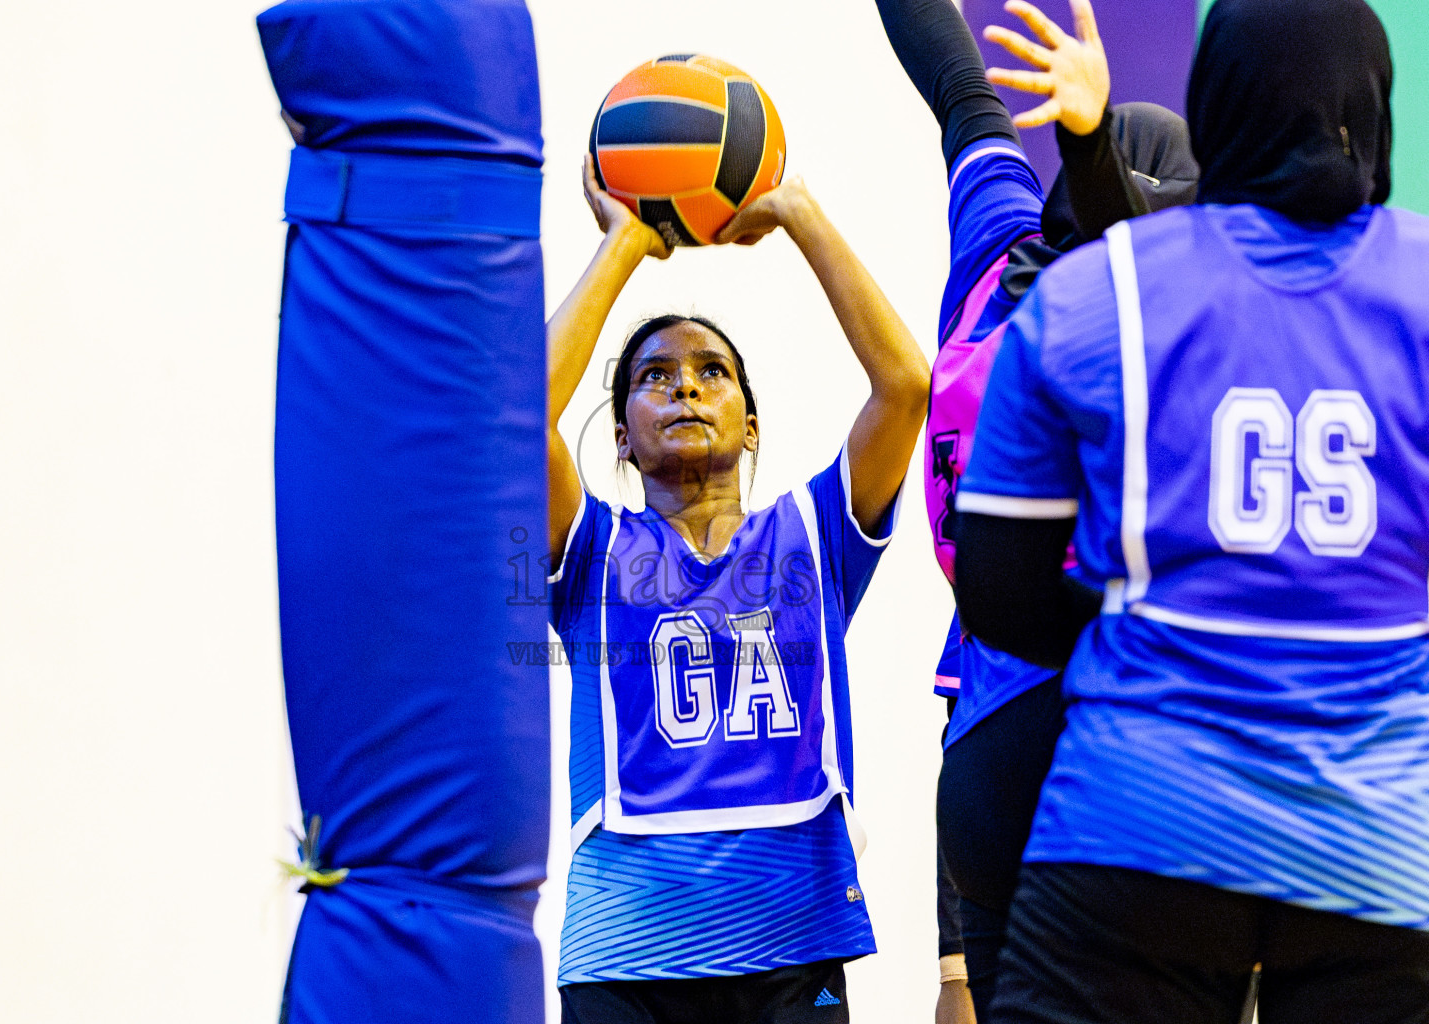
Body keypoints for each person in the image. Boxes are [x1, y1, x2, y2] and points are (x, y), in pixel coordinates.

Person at [953, 0, 1429, 1021]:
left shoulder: (1093, 293)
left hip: (1143, 817)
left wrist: (1150, 630)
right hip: (1385, 836)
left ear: (1209, 108)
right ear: (1375, 110)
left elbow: (995, 590)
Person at [546, 154, 930, 1022]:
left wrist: (799, 213)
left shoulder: (814, 533)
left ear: (751, 424)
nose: (684, 383)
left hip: (791, 939)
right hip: (624, 947)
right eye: (653, 377)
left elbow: (907, 386)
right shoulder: (596, 547)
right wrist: (624, 244)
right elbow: (514, 415)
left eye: (711, 371)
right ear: (621, 438)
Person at [872, 0, 1197, 1019]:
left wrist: (950, 958)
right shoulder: (1189, 329)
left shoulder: (995, 257)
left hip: (986, 751)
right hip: (1111, 746)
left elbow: (962, 94)